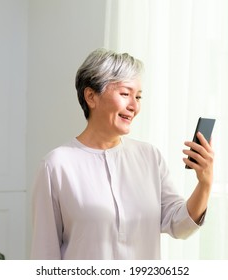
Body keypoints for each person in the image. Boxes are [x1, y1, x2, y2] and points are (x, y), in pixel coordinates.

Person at [30, 48, 214, 260]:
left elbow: (180, 225)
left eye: (138, 96)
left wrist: (205, 183)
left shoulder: (149, 157)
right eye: (125, 94)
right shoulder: (56, 165)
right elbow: (44, 253)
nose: (134, 106)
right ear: (91, 96)